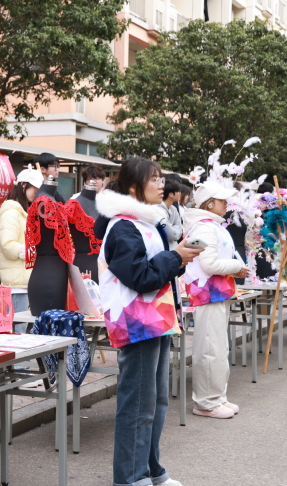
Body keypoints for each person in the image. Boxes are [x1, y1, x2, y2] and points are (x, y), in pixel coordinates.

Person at [95, 157, 203, 486]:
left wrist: (178, 257)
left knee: (154, 401)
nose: (162, 184)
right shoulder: (123, 226)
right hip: (136, 323)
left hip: (154, 319)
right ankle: (131, 477)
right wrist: (176, 257)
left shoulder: (144, 221)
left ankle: (151, 469)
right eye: (154, 179)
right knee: (139, 403)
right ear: (133, 187)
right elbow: (141, 276)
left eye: (160, 178)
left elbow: (154, 269)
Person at [183, 181, 250, 419]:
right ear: (210, 203)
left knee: (218, 348)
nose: (226, 204)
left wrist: (234, 268)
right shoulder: (203, 228)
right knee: (210, 348)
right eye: (222, 200)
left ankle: (217, 397)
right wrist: (236, 266)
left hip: (216, 292)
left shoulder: (210, 226)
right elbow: (208, 264)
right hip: (207, 293)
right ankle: (206, 402)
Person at [0, 168, 43, 322]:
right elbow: (8, 246)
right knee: (19, 327)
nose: (36, 192)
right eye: (34, 188)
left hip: (25, 281)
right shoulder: (12, 212)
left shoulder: (23, 211)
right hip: (17, 285)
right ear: (23, 185)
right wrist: (34, 251)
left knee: (24, 327)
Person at [157, 178, 183, 244]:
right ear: (171, 194)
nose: (180, 194)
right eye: (178, 192)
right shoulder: (159, 209)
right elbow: (170, 235)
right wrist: (175, 228)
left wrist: (173, 228)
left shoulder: (174, 209)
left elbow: (180, 229)